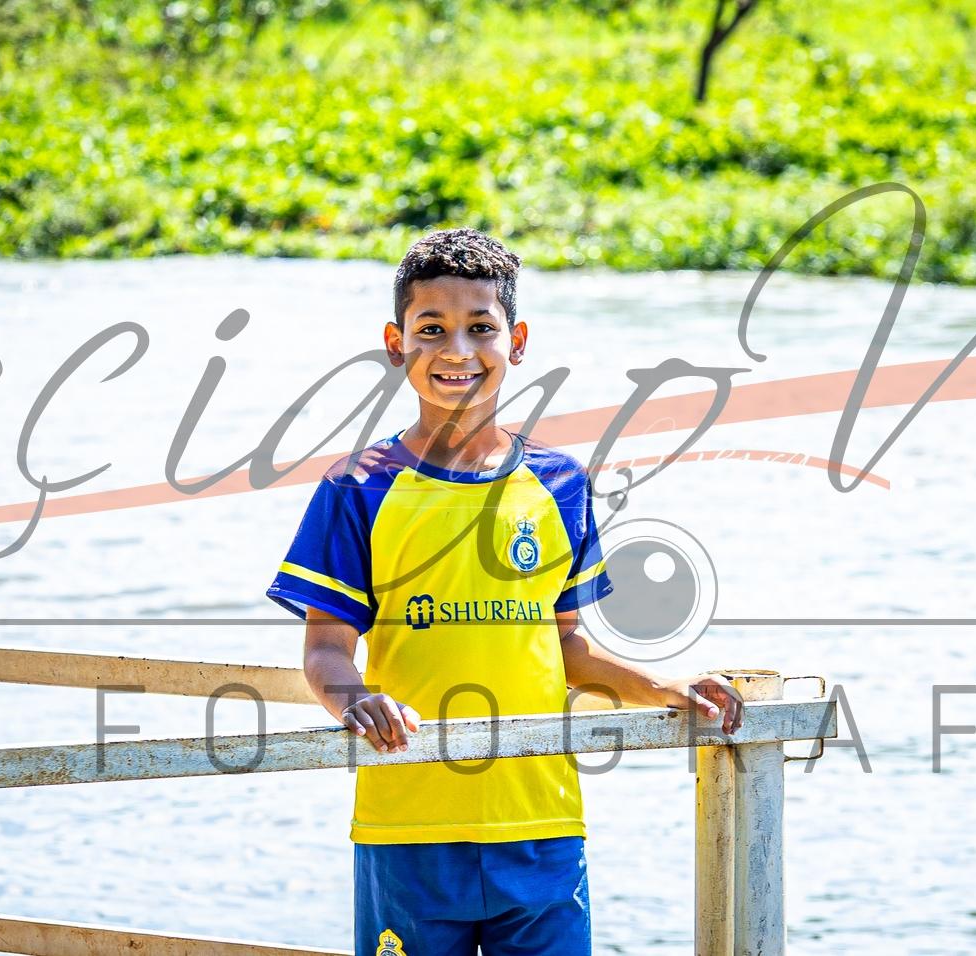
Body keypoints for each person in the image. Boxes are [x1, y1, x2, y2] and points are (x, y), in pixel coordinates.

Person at [265, 228, 742, 956]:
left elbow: (566, 645)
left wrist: (666, 687)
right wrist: (356, 699)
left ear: (516, 341)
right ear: (396, 343)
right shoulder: (358, 486)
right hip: (409, 822)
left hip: (542, 823)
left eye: (480, 328)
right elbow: (327, 650)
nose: (457, 350)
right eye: (431, 329)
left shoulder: (559, 483)